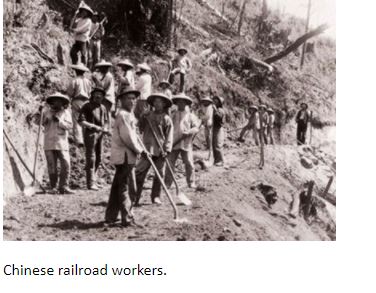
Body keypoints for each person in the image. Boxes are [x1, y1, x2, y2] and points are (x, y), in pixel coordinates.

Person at [105, 87, 144, 226]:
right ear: (121, 100)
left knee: (117, 186)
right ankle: (127, 218)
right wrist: (139, 150)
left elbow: (133, 134)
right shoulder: (123, 115)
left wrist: (139, 146)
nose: (133, 101)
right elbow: (127, 137)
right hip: (125, 155)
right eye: (129, 98)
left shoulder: (128, 115)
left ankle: (110, 216)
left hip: (125, 155)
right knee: (127, 187)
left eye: (134, 98)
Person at [134, 93, 173, 205]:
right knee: (139, 173)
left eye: (159, 101)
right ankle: (135, 197)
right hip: (147, 149)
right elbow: (140, 128)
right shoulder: (147, 115)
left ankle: (156, 196)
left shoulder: (167, 119)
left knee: (159, 175)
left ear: (164, 104)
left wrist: (167, 150)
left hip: (160, 150)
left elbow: (169, 136)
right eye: (155, 101)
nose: (157, 103)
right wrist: (142, 117)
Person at [41, 92, 74, 194]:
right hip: (49, 142)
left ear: (62, 103)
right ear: (52, 102)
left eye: (59, 101)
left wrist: (60, 121)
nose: (57, 103)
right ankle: (53, 187)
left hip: (61, 142)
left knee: (66, 163)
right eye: (55, 101)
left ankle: (64, 186)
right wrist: (41, 115)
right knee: (52, 165)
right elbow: (39, 122)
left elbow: (70, 126)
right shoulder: (46, 112)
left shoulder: (66, 113)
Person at [165, 94, 200, 189]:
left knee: (189, 163)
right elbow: (166, 128)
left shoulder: (190, 116)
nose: (181, 103)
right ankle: (167, 183)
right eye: (179, 102)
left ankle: (191, 182)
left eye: (183, 102)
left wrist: (189, 132)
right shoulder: (172, 115)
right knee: (170, 163)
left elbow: (196, 128)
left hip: (186, 143)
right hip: (174, 143)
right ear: (176, 103)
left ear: (186, 104)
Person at [78, 87, 109, 190]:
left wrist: (105, 129)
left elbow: (106, 122)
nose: (98, 96)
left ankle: (94, 180)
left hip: (101, 134)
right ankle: (90, 183)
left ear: (103, 97)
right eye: (96, 94)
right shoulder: (86, 106)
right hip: (91, 134)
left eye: (100, 95)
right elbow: (81, 121)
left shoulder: (103, 108)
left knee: (99, 157)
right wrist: (94, 126)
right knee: (91, 158)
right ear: (92, 96)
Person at [66, 63, 92, 147]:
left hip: (77, 101)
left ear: (76, 71)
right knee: (85, 120)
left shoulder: (74, 80)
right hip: (86, 102)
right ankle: (86, 139)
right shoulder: (88, 81)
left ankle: (79, 140)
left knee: (77, 121)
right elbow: (90, 93)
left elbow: (70, 93)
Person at [212, 96, 226, 166]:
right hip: (214, 128)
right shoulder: (216, 109)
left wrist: (215, 111)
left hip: (218, 128)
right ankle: (216, 160)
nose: (214, 102)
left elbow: (219, 117)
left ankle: (221, 160)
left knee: (218, 144)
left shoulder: (220, 110)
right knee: (214, 144)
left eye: (216, 101)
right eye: (214, 100)